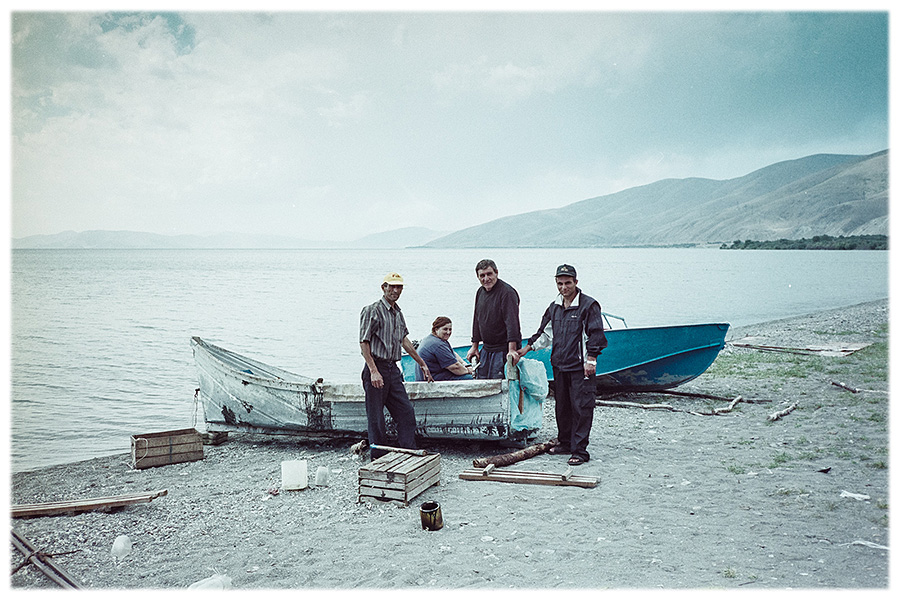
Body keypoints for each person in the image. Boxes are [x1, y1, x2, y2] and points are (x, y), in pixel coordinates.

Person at [517, 264, 607, 466]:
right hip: (559, 365)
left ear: (576, 282)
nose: (564, 287)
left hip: (581, 366)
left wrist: (591, 359)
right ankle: (565, 442)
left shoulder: (589, 305)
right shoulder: (554, 307)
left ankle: (580, 451)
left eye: (568, 283)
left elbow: (596, 334)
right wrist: (526, 348)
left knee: (582, 406)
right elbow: (545, 334)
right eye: (560, 283)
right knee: (563, 407)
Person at [359, 272, 433, 460]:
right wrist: (373, 371)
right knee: (376, 417)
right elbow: (364, 342)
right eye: (391, 286)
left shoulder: (398, 313)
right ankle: (378, 457)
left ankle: (408, 450)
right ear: (383, 287)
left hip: (393, 369)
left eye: (398, 287)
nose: (395, 290)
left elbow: (404, 340)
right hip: (376, 367)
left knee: (406, 412)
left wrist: (422, 363)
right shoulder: (372, 310)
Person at [466, 259, 522, 379]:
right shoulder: (480, 292)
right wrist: (474, 346)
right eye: (482, 275)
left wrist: (512, 350)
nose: (486, 279)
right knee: (482, 382)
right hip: (487, 348)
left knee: (499, 384)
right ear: (478, 277)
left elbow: (512, 323)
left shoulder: (507, 293)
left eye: (489, 274)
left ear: (496, 272)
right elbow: (477, 319)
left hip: (503, 349)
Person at [414, 316, 475, 381]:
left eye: (450, 329)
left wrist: (465, 364)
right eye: (445, 329)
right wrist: (468, 371)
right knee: (472, 378)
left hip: (430, 375)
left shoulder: (431, 339)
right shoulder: (438, 345)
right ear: (436, 329)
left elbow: (453, 354)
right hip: (432, 379)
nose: (448, 332)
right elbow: (455, 368)